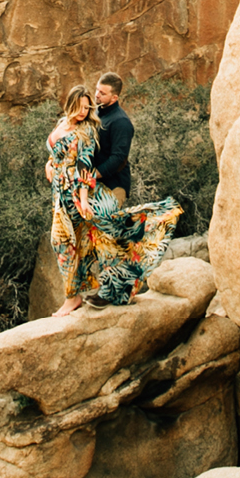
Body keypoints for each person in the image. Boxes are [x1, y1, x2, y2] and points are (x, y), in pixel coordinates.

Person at [45, 81, 180, 316]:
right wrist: (49, 164)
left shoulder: (91, 129)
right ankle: (88, 292)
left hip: (80, 193)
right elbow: (56, 152)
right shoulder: (62, 124)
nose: (84, 111)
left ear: (114, 97)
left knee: (78, 238)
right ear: (70, 104)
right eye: (81, 106)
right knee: (71, 241)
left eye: (88, 108)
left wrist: (85, 199)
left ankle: (89, 293)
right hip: (60, 195)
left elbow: (87, 164)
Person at [93, 72, 133, 209]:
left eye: (102, 93)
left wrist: (94, 174)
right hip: (96, 183)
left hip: (114, 185)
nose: (97, 94)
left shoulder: (121, 122)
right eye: (97, 89)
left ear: (114, 98)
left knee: (105, 224)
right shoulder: (97, 112)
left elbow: (119, 157)